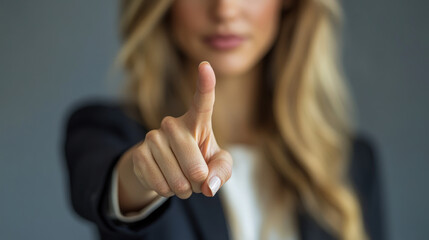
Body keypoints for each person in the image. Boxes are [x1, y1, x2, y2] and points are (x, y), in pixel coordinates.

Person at [64, 0, 384, 239]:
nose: (225, 10)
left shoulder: (352, 162)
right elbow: (112, 186)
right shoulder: (107, 130)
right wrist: (142, 176)